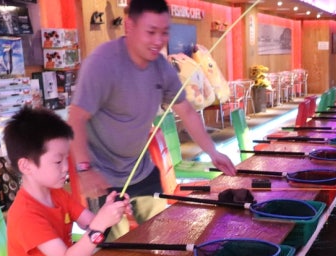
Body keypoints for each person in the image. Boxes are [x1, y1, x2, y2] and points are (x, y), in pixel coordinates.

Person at [68, 0, 236, 233]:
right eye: (151, 32)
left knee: (160, 234)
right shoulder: (102, 63)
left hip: (141, 169)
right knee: (116, 251)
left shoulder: (161, 67)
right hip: (104, 177)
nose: (158, 41)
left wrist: (212, 151)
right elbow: (75, 118)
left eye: (164, 32)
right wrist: (85, 170)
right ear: (129, 27)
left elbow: (186, 111)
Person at [0, 106, 131, 256]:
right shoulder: (26, 214)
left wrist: (110, 210)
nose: (65, 168)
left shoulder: (57, 193)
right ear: (26, 166)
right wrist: (100, 224)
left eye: (66, 160)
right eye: (58, 161)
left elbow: (89, 221)